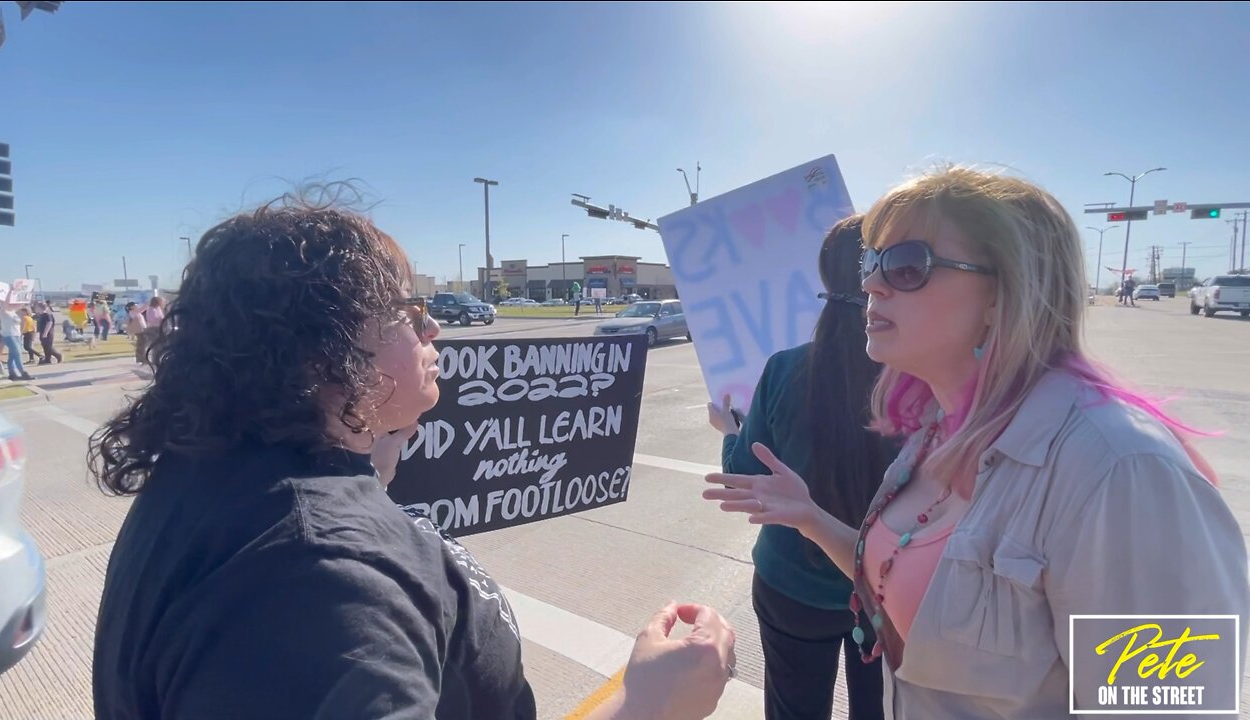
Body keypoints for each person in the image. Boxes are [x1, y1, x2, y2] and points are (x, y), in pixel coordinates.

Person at [89, 193, 737, 720]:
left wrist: (363, 478)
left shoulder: (212, 476)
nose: (432, 329)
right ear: (323, 353)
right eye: (405, 311)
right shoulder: (324, 583)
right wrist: (645, 707)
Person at [705, 167, 1248, 718]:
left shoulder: (1123, 472)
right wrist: (811, 518)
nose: (871, 283)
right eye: (872, 261)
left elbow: (1174, 705)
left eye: (907, 264)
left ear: (1003, 290)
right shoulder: (937, 429)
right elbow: (905, 581)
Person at [705, 216, 890, 720]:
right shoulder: (920, 375)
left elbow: (746, 470)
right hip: (888, 591)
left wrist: (728, 431)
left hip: (792, 586)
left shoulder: (785, 368)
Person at [0, 301, 32, 381]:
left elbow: (21, 304)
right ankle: (23, 373)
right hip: (8, 335)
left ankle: (12, 374)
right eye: (11, 303)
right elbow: (6, 303)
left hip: (17, 335)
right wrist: (10, 291)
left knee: (12, 356)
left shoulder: (13, 312)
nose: (13, 305)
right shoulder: (3, 312)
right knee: (17, 354)